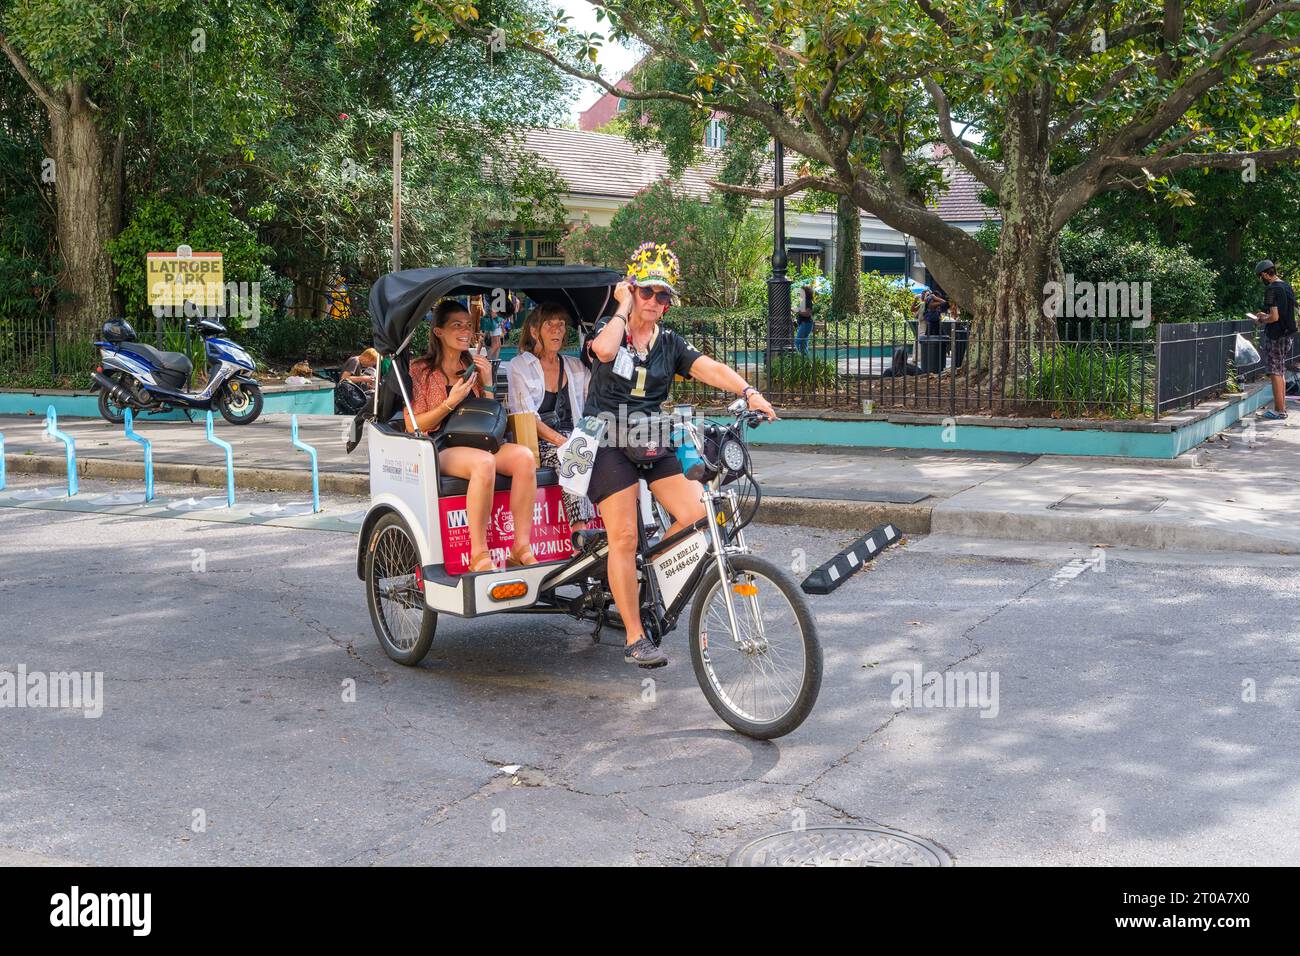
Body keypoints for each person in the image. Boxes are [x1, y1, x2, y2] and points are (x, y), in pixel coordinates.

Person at [583, 242, 777, 668]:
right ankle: (636, 637)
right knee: (623, 536)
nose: (655, 301)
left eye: (663, 295)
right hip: (606, 442)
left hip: (650, 440)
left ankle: (649, 563)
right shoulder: (607, 327)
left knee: (696, 517)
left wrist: (748, 391)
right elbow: (604, 352)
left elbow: (708, 367)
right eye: (648, 291)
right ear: (632, 290)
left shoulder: (669, 343)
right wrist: (620, 306)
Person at [405, 299, 539, 573]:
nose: (465, 331)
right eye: (457, 325)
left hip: (478, 439)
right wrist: (449, 403)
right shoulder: (420, 369)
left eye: (468, 326)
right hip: (440, 444)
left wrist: (487, 381)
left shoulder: (474, 365)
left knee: (524, 457)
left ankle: (521, 546)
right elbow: (412, 424)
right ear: (439, 331)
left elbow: (489, 415)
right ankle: (478, 552)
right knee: (483, 463)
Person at [506, 302, 597, 531]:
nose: (557, 329)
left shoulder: (575, 366)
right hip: (541, 441)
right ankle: (581, 534)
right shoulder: (520, 366)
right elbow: (526, 417)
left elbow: (596, 401)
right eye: (550, 324)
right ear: (535, 331)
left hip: (575, 437)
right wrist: (564, 443)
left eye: (561, 325)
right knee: (572, 459)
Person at [1253, 260, 1297, 420]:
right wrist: (1265, 316)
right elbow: (1286, 313)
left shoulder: (1271, 289)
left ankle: (1279, 411)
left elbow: (1274, 317)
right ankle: (1282, 408)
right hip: (1288, 335)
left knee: (1275, 372)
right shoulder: (1286, 286)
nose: (1261, 280)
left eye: (1260, 276)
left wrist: (1262, 319)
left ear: (1265, 274)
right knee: (1280, 371)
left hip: (1276, 336)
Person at [795, 282, 816, 355]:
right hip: (804, 323)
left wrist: (797, 310)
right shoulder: (805, 301)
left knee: (797, 342)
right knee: (803, 344)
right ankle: (805, 361)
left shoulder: (807, 301)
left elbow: (807, 314)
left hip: (806, 324)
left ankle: (798, 358)